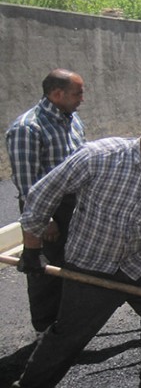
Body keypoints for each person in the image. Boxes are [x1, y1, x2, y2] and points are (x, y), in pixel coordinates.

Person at [13, 105, 141, 388]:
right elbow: (42, 194)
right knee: (68, 336)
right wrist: (32, 248)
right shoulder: (99, 157)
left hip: (140, 261)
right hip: (91, 262)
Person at [6, 69, 86, 336]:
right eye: (78, 93)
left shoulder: (73, 120)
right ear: (56, 94)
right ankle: (46, 331)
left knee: (73, 264)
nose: (82, 99)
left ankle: (69, 325)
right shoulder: (27, 128)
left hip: (73, 205)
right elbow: (28, 184)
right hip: (47, 210)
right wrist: (45, 219)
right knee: (45, 272)